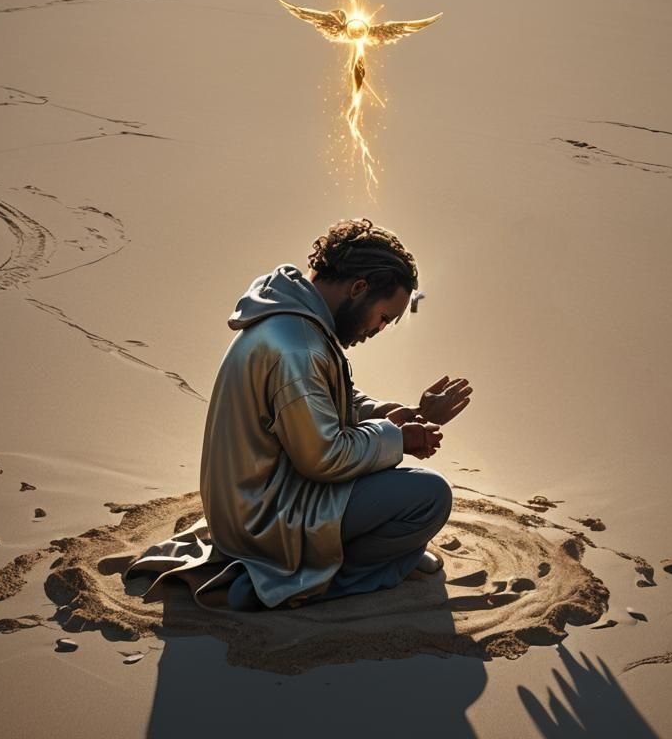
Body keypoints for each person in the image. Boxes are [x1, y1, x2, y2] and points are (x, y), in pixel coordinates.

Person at [126, 217, 473, 613]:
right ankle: (336, 577)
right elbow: (323, 457)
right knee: (429, 497)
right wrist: (400, 440)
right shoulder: (298, 346)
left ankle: (387, 555)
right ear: (358, 288)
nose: (378, 330)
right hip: (265, 520)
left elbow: (330, 401)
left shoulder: (295, 322)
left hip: (260, 499)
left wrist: (399, 416)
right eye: (382, 317)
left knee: (392, 473)